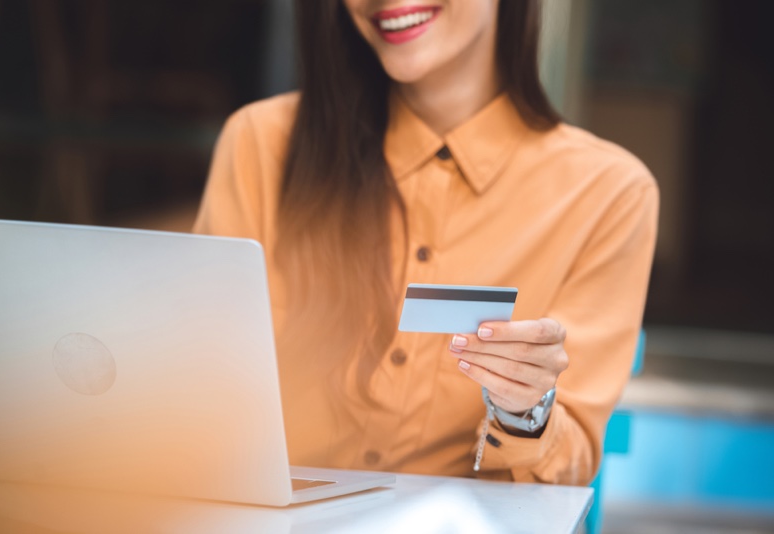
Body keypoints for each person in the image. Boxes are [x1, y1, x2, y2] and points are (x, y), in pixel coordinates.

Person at [193, 0, 658, 485]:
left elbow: (571, 465)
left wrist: (524, 409)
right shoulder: (259, 144)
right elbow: (194, 392)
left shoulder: (610, 194)